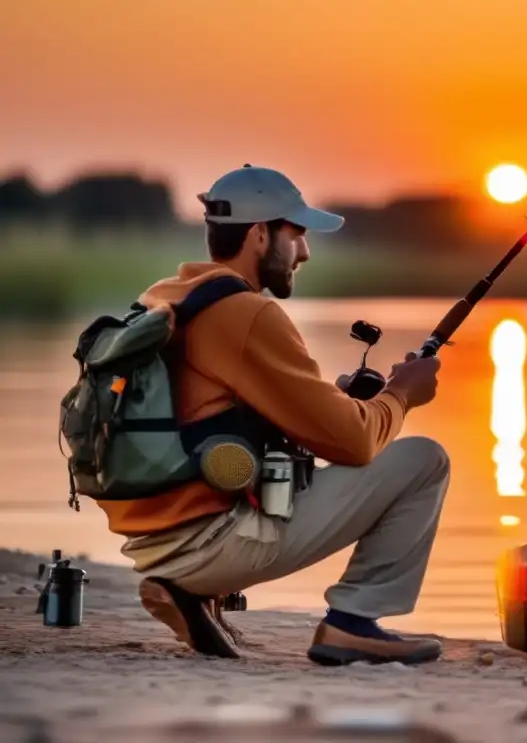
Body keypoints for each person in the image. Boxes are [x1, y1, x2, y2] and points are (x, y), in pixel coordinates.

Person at [102, 164, 451, 666]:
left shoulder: (172, 296)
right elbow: (354, 442)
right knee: (424, 461)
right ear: (261, 234)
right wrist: (400, 396)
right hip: (212, 544)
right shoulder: (249, 314)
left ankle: (189, 588)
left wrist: (336, 400)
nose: (305, 252)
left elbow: (210, 415)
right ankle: (352, 623)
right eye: (297, 234)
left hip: (154, 542)